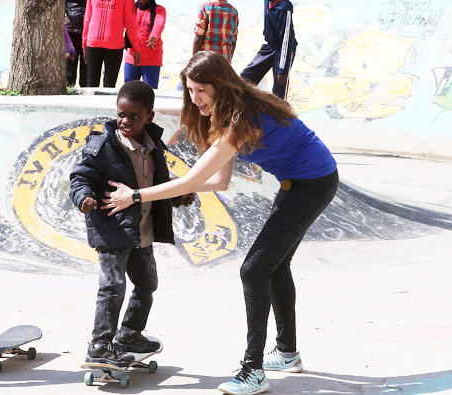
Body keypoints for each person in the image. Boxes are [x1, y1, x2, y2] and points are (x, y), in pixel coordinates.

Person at [101, 51, 338, 395]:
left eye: (201, 90)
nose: (195, 98)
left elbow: (191, 180)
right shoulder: (227, 112)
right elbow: (218, 180)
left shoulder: (241, 120)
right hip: (297, 183)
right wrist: (171, 191)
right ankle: (287, 353)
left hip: (313, 184)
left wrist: (136, 195)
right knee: (274, 265)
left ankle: (253, 371)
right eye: (190, 90)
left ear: (221, 87)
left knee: (254, 270)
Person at [70, 80, 195, 367]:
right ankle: (100, 345)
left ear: (149, 116)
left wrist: (176, 196)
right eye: (121, 115)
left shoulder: (153, 144)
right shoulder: (102, 145)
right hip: (111, 227)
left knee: (147, 283)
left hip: (142, 230)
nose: (125, 121)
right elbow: (80, 177)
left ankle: (129, 334)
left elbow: (155, 184)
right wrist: (84, 198)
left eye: (134, 116)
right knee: (113, 286)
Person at [241, 0, 297, 99]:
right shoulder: (267, 2)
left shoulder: (285, 7)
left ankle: (279, 113)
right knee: (246, 76)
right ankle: (250, 104)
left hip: (283, 50)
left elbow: (286, 39)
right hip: (270, 46)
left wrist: (282, 69)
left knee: (279, 89)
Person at [82, 0, 142, 87]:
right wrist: (136, 47)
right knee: (109, 84)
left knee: (91, 83)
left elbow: (87, 19)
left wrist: (84, 44)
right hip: (114, 44)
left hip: (92, 42)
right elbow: (130, 23)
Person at [123, 0, 166, 89]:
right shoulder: (130, 9)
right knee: (129, 91)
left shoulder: (160, 10)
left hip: (152, 60)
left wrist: (154, 35)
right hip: (132, 57)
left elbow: (159, 24)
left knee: (149, 93)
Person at [65, 0, 88, 87]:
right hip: (70, 31)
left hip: (88, 31)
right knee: (69, 69)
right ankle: (68, 92)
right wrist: (60, 15)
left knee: (86, 69)